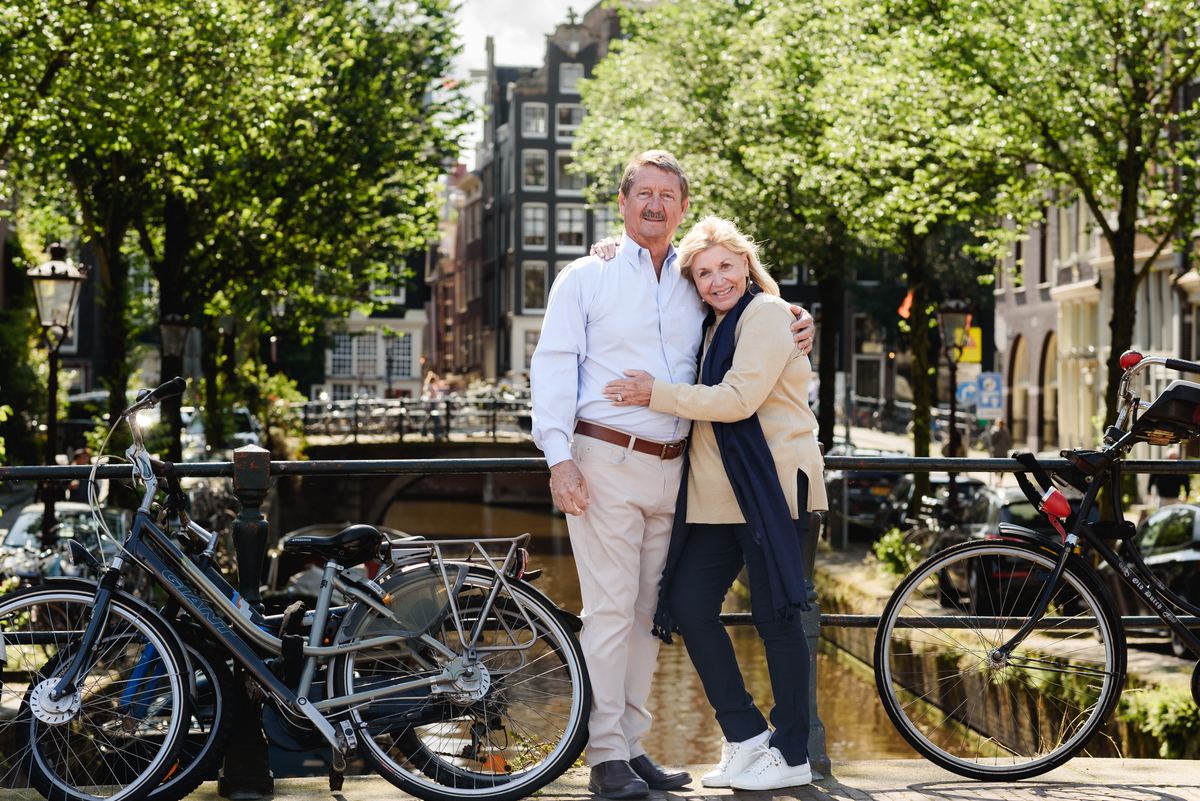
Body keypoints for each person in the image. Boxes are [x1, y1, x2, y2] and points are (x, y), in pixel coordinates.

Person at [530, 151, 814, 799]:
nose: (655, 205)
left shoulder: (692, 282)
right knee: (606, 610)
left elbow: (748, 309)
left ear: (683, 208)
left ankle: (631, 745)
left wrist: (800, 319)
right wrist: (558, 458)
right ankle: (604, 756)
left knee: (647, 613)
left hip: (677, 472)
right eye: (643, 194)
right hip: (604, 461)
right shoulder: (586, 276)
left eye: (668, 195)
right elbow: (551, 366)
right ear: (623, 203)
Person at [601, 216, 826, 791]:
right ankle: (748, 736)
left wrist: (654, 393)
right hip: (717, 498)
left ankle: (793, 750)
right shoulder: (712, 326)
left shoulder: (767, 315)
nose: (716, 279)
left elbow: (738, 398)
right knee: (686, 604)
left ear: (746, 265)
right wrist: (614, 250)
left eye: (725, 266)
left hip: (773, 490)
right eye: (703, 273)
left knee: (777, 618)